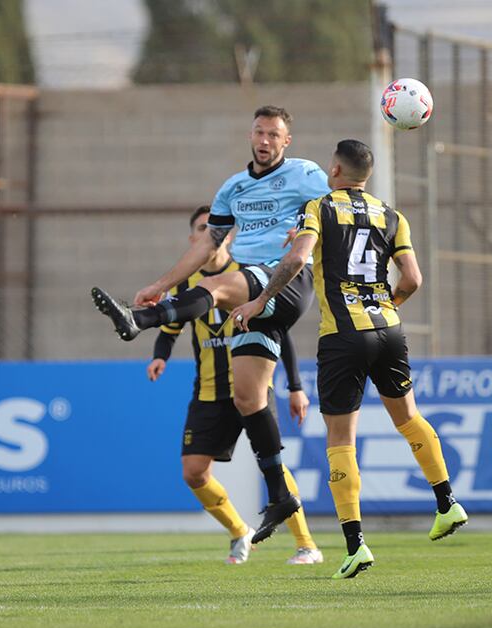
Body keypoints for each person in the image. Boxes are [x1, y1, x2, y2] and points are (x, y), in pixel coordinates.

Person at [231, 139, 468, 580]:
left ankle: (355, 546)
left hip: (343, 335)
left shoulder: (319, 207)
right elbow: (413, 278)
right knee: (409, 417)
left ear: (335, 170)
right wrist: (387, 306)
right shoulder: (391, 215)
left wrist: (260, 299)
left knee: (340, 439)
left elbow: (297, 258)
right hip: (389, 329)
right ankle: (447, 502)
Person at [91, 106, 329, 543]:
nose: (265, 140)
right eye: (259, 132)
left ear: (286, 141)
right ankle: (280, 495)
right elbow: (205, 246)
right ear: (250, 135)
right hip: (254, 301)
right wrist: (160, 284)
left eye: (273, 134)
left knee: (215, 286)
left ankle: (138, 321)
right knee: (248, 397)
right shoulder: (233, 188)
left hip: (286, 281)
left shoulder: (305, 174)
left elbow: (337, 208)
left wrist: (309, 233)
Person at [146, 206, 323, 565]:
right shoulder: (186, 287)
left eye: (214, 229)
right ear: (193, 239)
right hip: (209, 392)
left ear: (229, 236)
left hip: (252, 386)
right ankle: (239, 530)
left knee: (271, 464)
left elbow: (280, 330)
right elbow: (169, 329)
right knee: (194, 472)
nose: (208, 234)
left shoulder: (247, 275)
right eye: (201, 229)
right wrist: (160, 356)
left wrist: (295, 385)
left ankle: (306, 545)